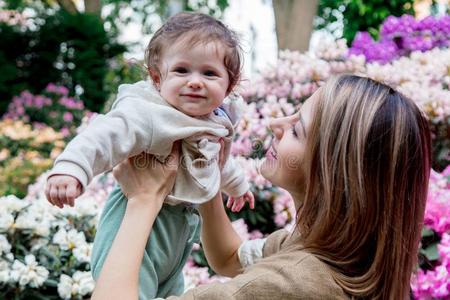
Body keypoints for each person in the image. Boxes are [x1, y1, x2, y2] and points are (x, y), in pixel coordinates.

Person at [91, 74, 432, 300]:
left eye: (298, 130)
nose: (276, 124)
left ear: (333, 174)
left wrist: (143, 200)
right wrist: (206, 168)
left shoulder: (283, 286)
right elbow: (229, 258)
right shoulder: (331, 254)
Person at [45, 12, 254, 299]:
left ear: (229, 85)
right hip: (136, 222)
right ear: (157, 78)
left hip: (180, 226)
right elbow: (105, 136)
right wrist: (71, 168)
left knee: (170, 291)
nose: (195, 81)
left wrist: (237, 185)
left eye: (209, 73)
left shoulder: (213, 122)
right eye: (181, 70)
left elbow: (215, 162)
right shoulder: (148, 113)